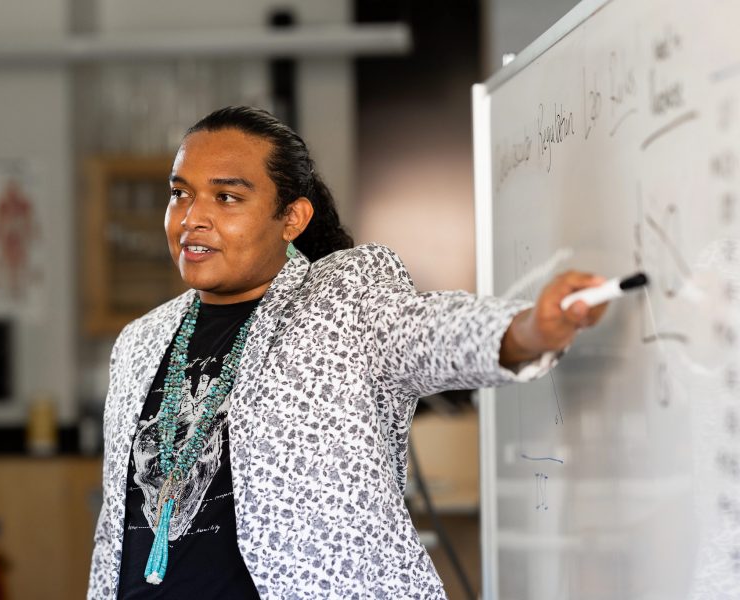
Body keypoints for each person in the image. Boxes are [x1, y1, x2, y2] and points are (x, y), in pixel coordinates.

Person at [87, 106, 606, 600]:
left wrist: (530, 328)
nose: (192, 218)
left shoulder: (341, 299)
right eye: (180, 194)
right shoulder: (142, 340)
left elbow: (430, 331)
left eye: (226, 198)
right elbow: (115, 528)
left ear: (291, 219)